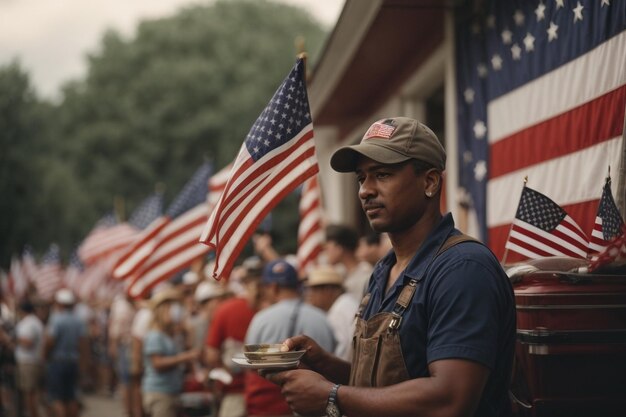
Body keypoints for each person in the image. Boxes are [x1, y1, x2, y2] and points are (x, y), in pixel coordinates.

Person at [266, 117, 516, 417]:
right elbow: (387, 387)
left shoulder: (462, 269)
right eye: (361, 178)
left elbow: (450, 400)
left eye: (382, 174)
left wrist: (332, 395)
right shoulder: (384, 270)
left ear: (430, 182)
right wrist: (326, 366)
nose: (365, 191)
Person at [244, 259, 336, 417]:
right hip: (319, 405)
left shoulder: (261, 319)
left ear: (273, 287)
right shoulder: (322, 317)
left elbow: (250, 363)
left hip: (271, 408)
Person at [204, 258, 262, 417]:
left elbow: (211, 355)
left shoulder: (225, 309)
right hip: (269, 392)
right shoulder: (270, 308)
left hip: (235, 391)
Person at [141, 288, 199, 417]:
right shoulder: (155, 335)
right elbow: (157, 363)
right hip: (160, 392)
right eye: (169, 308)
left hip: (170, 391)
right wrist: (184, 357)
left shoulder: (167, 334)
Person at [44, 289, 88, 417]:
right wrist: (84, 365)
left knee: (57, 398)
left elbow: (50, 341)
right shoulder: (78, 321)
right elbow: (83, 345)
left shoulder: (56, 320)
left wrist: (44, 356)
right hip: (73, 362)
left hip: (58, 362)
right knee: (71, 396)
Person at [304, 265, 358, 361]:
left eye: (314, 289)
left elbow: (344, 352)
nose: (309, 294)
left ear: (328, 290)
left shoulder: (340, 309)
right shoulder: (345, 303)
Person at [324, 224, 373, 300]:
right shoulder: (340, 272)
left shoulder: (365, 275)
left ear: (339, 249)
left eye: (328, 249)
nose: (326, 253)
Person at [15, 300, 45, 417]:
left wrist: (11, 339)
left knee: (30, 394)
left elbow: (28, 342)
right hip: (31, 361)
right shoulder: (35, 322)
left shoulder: (29, 323)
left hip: (28, 362)